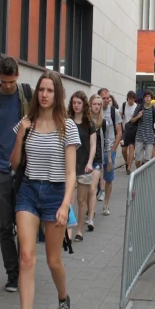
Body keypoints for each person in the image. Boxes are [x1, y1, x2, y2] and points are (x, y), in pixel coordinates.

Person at [9, 71, 79, 309]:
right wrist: (21, 135)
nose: (44, 94)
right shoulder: (26, 123)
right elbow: (14, 164)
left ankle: (63, 299)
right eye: (41, 89)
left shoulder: (68, 127)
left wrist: (65, 204)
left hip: (55, 194)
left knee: (53, 261)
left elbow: (72, 173)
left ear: (57, 93)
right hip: (28, 191)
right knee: (26, 257)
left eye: (50, 90)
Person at [0, 56, 34, 293]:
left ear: (18, 75)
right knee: (4, 226)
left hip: (25, 170)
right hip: (0, 170)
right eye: (4, 81)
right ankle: (12, 274)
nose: (8, 86)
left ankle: (26, 268)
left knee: (24, 225)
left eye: (11, 82)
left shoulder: (28, 94)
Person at [68, 91, 96, 242]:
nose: (76, 105)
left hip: (84, 166)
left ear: (84, 104)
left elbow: (93, 145)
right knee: (68, 199)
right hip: (69, 167)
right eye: (74, 103)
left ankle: (79, 230)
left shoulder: (89, 123)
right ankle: (67, 231)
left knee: (81, 200)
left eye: (79, 103)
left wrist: (90, 162)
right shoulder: (67, 121)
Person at [96, 88, 122, 216]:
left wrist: (113, 149)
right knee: (93, 178)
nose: (106, 100)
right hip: (95, 150)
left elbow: (119, 132)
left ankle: (106, 205)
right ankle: (90, 208)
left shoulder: (114, 112)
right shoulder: (93, 111)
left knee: (109, 179)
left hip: (109, 150)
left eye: (107, 98)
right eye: (103, 98)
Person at [86, 94, 106, 231]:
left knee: (93, 188)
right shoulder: (85, 121)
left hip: (97, 159)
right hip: (84, 159)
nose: (97, 107)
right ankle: (88, 210)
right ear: (90, 104)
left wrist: (107, 159)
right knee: (86, 190)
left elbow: (106, 141)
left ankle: (91, 218)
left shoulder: (103, 122)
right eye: (94, 104)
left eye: (99, 104)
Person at [129, 90, 155, 168]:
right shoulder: (139, 107)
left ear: (151, 98)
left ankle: (144, 177)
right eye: (146, 96)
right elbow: (132, 120)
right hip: (139, 137)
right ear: (143, 98)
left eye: (149, 96)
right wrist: (138, 116)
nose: (147, 98)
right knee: (137, 161)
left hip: (149, 138)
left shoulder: (154, 110)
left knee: (147, 160)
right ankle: (139, 172)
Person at [121, 91, 138, 174]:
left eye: (132, 99)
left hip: (133, 130)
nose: (130, 101)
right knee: (124, 149)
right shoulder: (124, 105)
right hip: (125, 129)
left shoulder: (136, 107)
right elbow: (120, 114)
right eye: (129, 99)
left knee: (131, 146)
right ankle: (127, 161)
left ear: (134, 99)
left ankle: (129, 167)